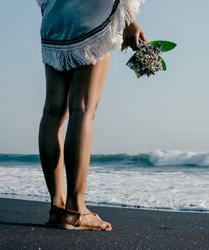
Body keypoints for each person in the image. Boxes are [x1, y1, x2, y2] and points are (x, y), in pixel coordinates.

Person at [36, 0, 146, 230]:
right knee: (83, 108)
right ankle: (76, 210)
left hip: (56, 19)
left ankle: (57, 208)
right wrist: (129, 21)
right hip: (93, 19)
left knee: (53, 111)